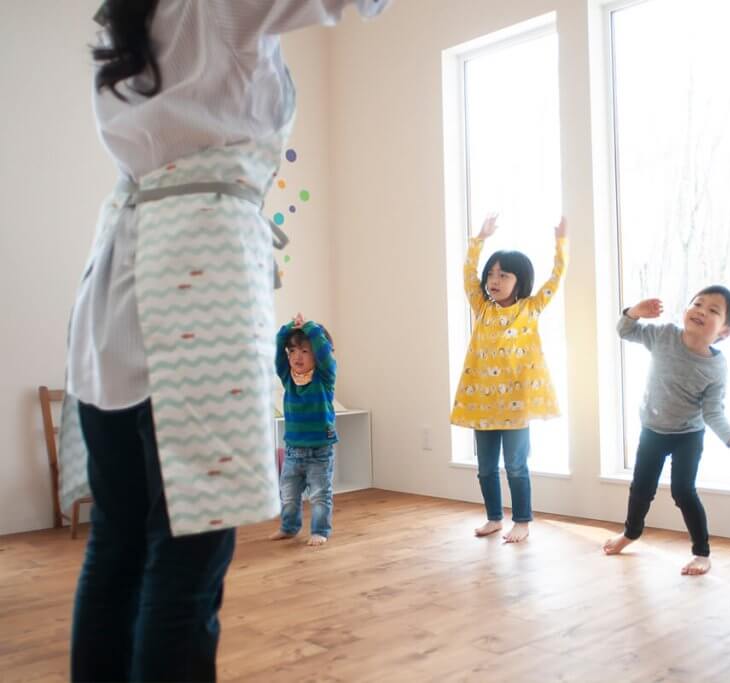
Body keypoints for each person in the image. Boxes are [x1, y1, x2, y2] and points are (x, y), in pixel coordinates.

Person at [62, 1, 391, 680]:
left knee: (117, 545)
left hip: (113, 293)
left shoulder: (121, 15)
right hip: (192, 288)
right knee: (188, 559)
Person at [602, 287, 730, 576]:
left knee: (683, 491)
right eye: (698, 303)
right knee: (641, 488)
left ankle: (701, 553)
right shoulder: (664, 335)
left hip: (688, 436)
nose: (701, 310)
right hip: (652, 431)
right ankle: (630, 533)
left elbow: (713, 412)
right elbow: (625, 331)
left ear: (726, 332)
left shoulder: (716, 367)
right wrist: (634, 312)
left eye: (713, 310)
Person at [450, 214, 568, 543]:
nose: (494, 280)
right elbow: (467, 276)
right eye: (491, 274)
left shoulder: (530, 308)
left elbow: (556, 279)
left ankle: (522, 520)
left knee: (516, 465)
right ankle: (492, 518)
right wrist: (479, 240)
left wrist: (560, 244)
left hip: (516, 405)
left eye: (503, 274)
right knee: (486, 468)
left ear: (520, 280)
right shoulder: (482, 307)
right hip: (482, 403)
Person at [270, 314, 338, 546]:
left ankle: (320, 531)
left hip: (320, 450)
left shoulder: (324, 378)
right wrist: (289, 328)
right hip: (293, 451)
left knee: (320, 495)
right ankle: (289, 527)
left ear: (317, 355)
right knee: (288, 494)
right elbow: (277, 347)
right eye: (293, 351)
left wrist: (310, 327)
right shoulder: (288, 378)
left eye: (305, 351)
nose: (297, 356)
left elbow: (325, 353)